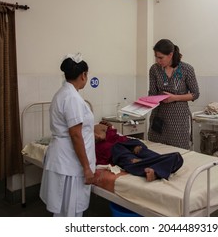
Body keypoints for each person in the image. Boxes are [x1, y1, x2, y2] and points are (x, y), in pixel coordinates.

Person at [40, 53, 95, 217]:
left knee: (64, 211)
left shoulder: (64, 93)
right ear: (83, 75)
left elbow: (76, 128)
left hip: (64, 160)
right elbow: (75, 135)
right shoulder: (72, 98)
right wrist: (87, 168)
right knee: (70, 212)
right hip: (70, 163)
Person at [148, 39, 200, 149]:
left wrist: (174, 98)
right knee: (156, 149)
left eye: (161, 57)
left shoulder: (186, 69)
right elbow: (152, 94)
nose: (158, 60)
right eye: (156, 57)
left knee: (178, 152)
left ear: (170, 54)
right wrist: (142, 104)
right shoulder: (154, 69)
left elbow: (195, 94)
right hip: (159, 117)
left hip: (178, 118)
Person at [95, 121, 183, 181]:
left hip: (128, 144)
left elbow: (101, 136)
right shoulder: (84, 135)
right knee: (131, 160)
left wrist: (94, 132)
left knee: (147, 154)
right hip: (117, 150)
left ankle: (158, 169)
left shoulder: (97, 127)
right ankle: (159, 169)